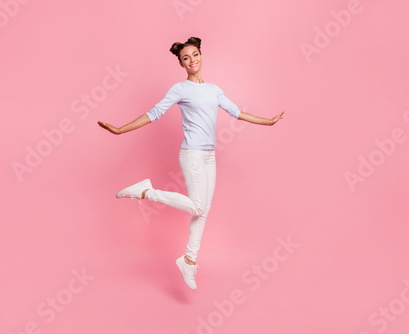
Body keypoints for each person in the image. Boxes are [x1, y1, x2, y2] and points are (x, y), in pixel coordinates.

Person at [98, 36, 284, 290]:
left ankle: (189, 260)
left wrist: (268, 121)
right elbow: (154, 113)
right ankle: (145, 191)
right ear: (182, 64)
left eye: (195, 54)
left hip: (209, 155)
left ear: (201, 55)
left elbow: (236, 112)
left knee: (203, 211)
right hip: (192, 155)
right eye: (186, 58)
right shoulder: (180, 89)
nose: (192, 60)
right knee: (198, 208)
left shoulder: (214, 89)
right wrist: (120, 129)